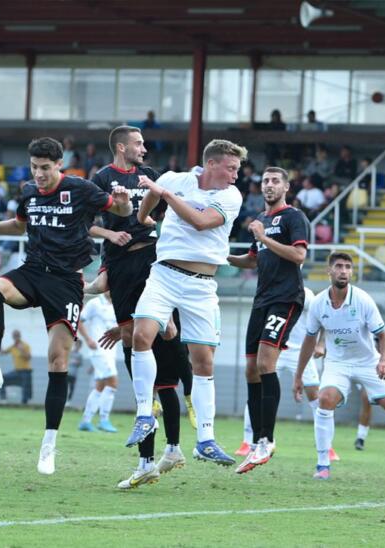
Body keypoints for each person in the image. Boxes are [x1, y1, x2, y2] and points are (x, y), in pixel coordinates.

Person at [0, 137, 131, 475]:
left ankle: (48, 445)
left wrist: (125, 203)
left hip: (66, 282)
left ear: (59, 165)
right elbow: (21, 224)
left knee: (58, 361)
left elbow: (120, 210)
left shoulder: (81, 189)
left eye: (45, 168)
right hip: (32, 271)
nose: (39, 174)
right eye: (34, 168)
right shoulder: (28, 191)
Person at [123, 139, 246, 487]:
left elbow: (201, 222)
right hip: (164, 275)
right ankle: (145, 415)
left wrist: (162, 195)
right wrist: (146, 213)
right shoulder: (176, 179)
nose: (236, 175)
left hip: (202, 284)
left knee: (203, 361)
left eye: (237, 169)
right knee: (141, 335)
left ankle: (205, 440)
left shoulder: (229, 197)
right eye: (231, 168)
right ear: (211, 164)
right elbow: (147, 206)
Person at [87, 126, 197, 488]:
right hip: (121, 266)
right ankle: (151, 459)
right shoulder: (102, 177)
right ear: (121, 147)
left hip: (153, 259)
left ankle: (188, 404)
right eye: (138, 144)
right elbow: (84, 222)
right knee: (141, 359)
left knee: (167, 336)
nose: (144, 149)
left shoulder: (151, 177)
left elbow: (170, 209)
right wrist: (109, 235)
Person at [294, 252, 385, 480]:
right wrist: (299, 376)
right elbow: (309, 340)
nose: (343, 271)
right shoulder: (319, 303)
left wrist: (383, 360)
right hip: (338, 363)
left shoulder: (362, 299)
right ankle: (323, 464)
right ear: (329, 271)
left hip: (368, 362)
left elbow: (384, 336)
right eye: (339, 266)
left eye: (348, 267)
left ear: (352, 272)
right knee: (325, 399)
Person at [227, 166, 310, 474]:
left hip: (286, 298)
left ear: (286, 187)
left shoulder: (293, 217)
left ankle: (267, 440)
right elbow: (253, 258)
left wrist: (264, 237)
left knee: (265, 364)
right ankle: (255, 440)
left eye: (275, 181)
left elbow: (299, 256)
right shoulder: (260, 221)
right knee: (250, 368)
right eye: (265, 181)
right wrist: (222, 256)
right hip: (261, 300)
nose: (269, 185)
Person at [234, 287, 340, 462]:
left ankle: (327, 446)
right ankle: (247, 442)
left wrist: (320, 344)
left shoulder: (305, 294)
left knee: (316, 395)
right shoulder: (271, 290)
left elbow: (322, 319)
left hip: (299, 352)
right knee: (258, 389)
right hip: (274, 349)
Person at [76, 293, 119, 433]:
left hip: (111, 350)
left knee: (100, 386)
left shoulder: (118, 302)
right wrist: (88, 340)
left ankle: (85, 421)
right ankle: (104, 420)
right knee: (113, 382)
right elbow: (79, 320)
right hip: (98, 350)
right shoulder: (95, 303)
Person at [0, 330, 32, 404]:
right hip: (16, 371)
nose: (16, 338)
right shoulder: (12, 347)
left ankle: (24, 403)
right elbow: (3, 352)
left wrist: (22, 350)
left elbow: (28, 357)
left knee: (26, 387)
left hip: (25, 371)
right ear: (13, 337)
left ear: (19, 336)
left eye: (17, 336)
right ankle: (3, 399)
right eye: (14, 336)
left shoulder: (25, 346)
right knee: (1, 378)